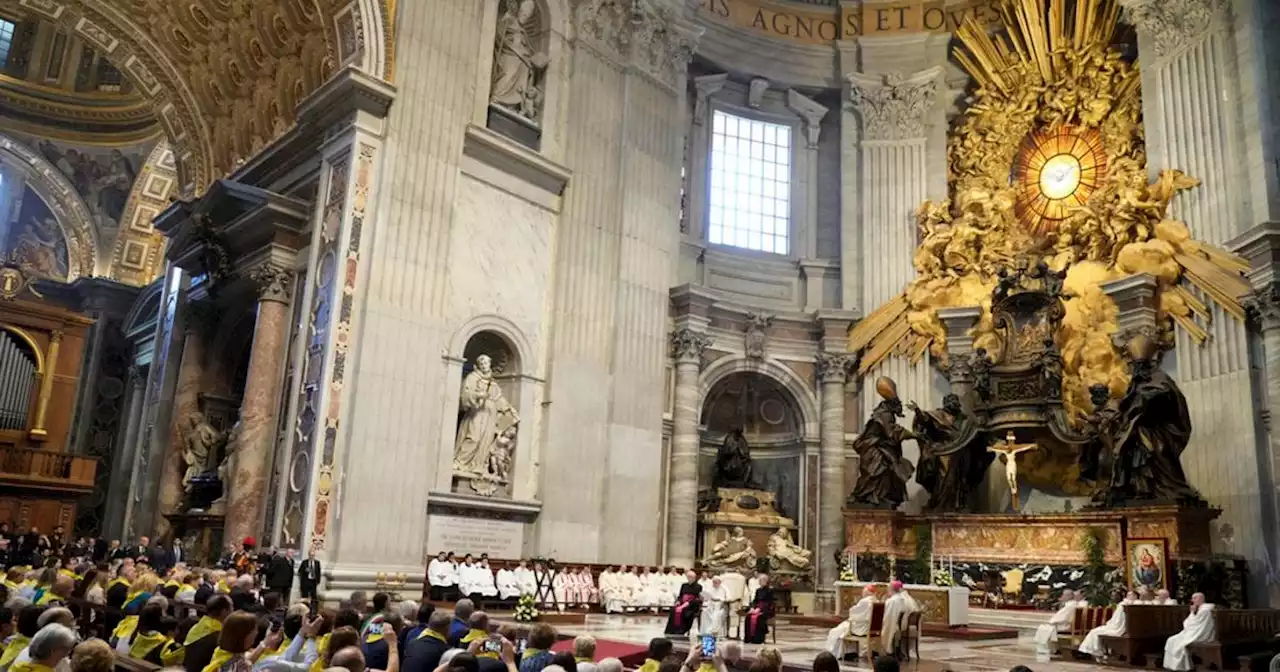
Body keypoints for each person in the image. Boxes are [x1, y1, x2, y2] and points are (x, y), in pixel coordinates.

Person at [203, 611, 280, 672]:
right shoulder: (235, 666)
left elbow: (247, 658)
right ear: (244, 636)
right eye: (254, 630)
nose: (256, 633)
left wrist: (266, 641)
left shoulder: (222, 652)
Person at [1162, 593, 1215, 671]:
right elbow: (1190, 624)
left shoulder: (1204, 610)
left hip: (1201, 634)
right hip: (1194, 632)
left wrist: (1192, 613)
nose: (1192, 600)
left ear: (1201, 599)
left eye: (1194, 598)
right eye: (1192, 598)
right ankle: (1176, 666)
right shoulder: (1201, 609)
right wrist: (1193, 613)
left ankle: (1182, 667)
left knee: (1176, 642)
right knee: (1171, 640)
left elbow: (1192, 624)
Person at [1079, 591, 1137, 660]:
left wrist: (1109, 623)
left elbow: (1117, 621)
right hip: (1123, 627)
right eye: (1128, 595)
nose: (1128, 597)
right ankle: (1096, 652)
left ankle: (1097, 652)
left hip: (1118, 628)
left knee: (1094, 632)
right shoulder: (1127, 604)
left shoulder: (1123, 605)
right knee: (1095, 631)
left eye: (1130, 595)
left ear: (1135, 596)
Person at [183, 594, 233, 672]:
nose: (233, 610)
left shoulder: (196, 627)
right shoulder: (221, 637)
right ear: (224, 611)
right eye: (232, 607)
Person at [826, 584, 876, 659]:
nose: (862, 593)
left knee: (835, 631)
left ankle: (835, 652)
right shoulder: (876, 600)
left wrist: (851, 616)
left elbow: (853, 612)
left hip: (861, 628)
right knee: (841, 628)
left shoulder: (865, 601)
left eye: (863, 591)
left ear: (867, 592)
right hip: (869, 627)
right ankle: (850, 651)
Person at [1033, 589, 1082, 656]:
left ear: (1069, 596)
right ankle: (1054, 648)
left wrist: (1050, 622)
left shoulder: (1069, 606)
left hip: (1065, 626)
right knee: (1047, 628)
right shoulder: (1076, 604)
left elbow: (1059, 618)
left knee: (1044, 628)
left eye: (1063, 595)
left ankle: (1047, 649)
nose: (1062, 597)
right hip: (1071, 625)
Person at [880, 581, 919, 658]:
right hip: (900, 625)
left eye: (888, 589)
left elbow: (887, 617)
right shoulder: (903, 599)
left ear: (891, 589)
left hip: (895, 626)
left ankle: (883, 651)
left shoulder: (893, 601)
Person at [663, 571, 701, 636]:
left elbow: (696, 599)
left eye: (691, 577)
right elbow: (680, 596)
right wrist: (678, 601)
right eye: (688, 577)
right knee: (673, 610)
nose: (689, 578)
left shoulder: (698, 586)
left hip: (691, 605)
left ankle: (682, 630)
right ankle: (672, 630)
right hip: (682, 603)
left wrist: (687, 603)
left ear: (694, 578)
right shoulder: (684, 585)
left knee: (685, 612)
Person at [742, 574, 774, 644]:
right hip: (757, 608)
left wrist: (760, 609)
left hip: (766, 610)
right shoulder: (758, 590)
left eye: (761, 581)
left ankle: (758, 639)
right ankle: (749, 638)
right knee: (748, 617)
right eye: (759, 581)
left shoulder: (770, 590)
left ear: (766, 581)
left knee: (759, 618)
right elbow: (755, 601)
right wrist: (753, 608)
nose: (760, 582)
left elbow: (769, 602)